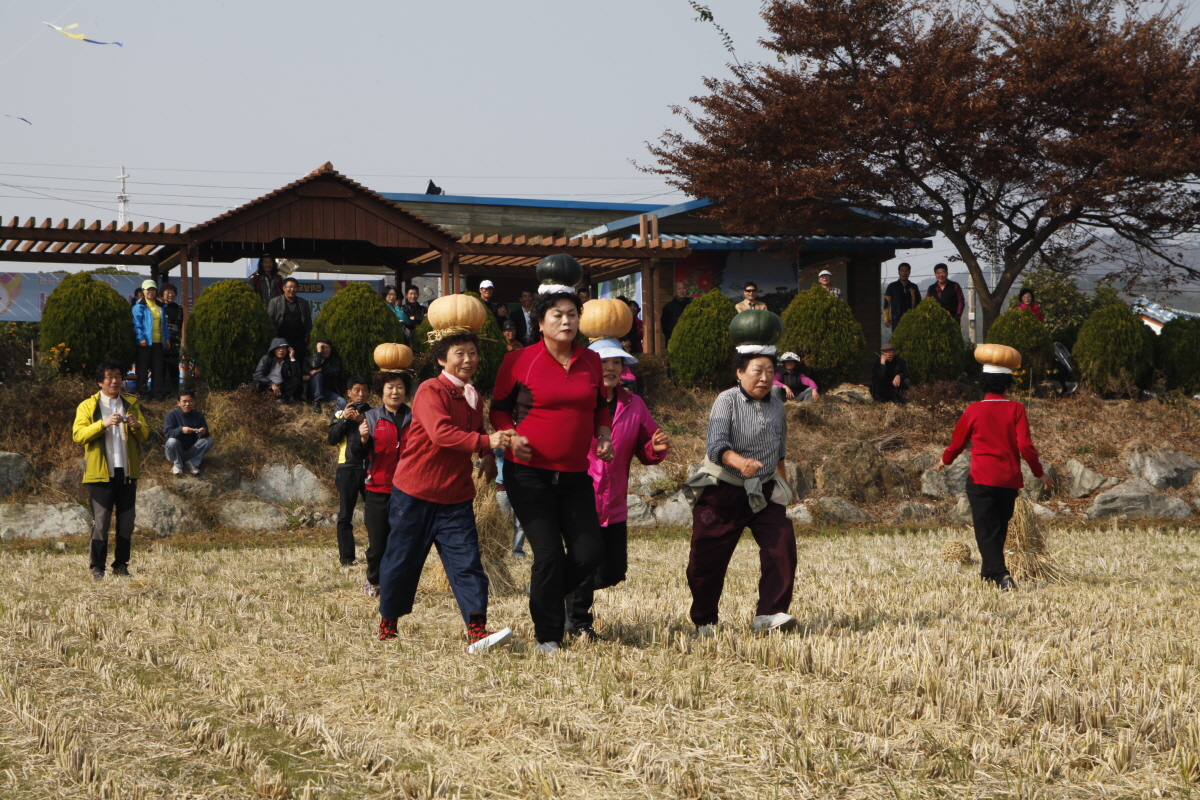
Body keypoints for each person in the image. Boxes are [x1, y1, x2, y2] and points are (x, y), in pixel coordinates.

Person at [491, 283, 614, 654]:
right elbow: (497, 408)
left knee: (589, 553)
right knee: (547, 554)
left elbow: (598, 407)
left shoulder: (591, 360)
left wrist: (603, 435)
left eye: (572, 314)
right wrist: (510, 436)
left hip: (575, 474)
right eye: (557, 315)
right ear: (541, 322)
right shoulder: (519, 360)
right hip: (528, 474)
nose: (566, 321)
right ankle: (548, 635)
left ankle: (544, 591)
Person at [377, 330, 515, 654]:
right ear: (442, 358)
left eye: (472, 353)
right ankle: (388, 623)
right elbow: (441, 433)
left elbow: (477, 429)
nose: (468, 360)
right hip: (414, 493)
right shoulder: (430, 390)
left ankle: (477, 630)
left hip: (455, 497)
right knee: (402, 561)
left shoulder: (472, 395)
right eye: (459, 353)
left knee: (467, 562)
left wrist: (486, 458)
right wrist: (487, 444)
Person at [683, 348, 797, 636]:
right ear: (739, 372)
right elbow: (716, 445)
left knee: (781, 544)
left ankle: (769, 613)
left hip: (764, 491)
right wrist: (740, 462)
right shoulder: (727, 401)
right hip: (722, 492)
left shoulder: (777, 405)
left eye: (770, 372)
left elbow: (780, 451)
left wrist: (784, 489)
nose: (764, 377)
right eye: (757, 370)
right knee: (705, 562)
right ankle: (705, 621)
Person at [564, 338, 669, 640]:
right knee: (584, 562)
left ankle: (559, 585)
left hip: (615, 502)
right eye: (603, 361)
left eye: (616, 362)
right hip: (580, 495)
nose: (610, 367)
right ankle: (578, 624)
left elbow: (646, 448)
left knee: (613, 571)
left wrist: (656, 448)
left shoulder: (633, 404)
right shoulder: (577, 400)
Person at [940, 354, 1053, 591]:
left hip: (981, 478)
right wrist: (1039, 472)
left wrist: (946, 459)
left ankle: (1002, 575)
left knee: (985, 529)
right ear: (1007, 384)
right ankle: (988, 573)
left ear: (982, 384)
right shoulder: (1016, 409)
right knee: (999, 528)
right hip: (1009, 480)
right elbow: (1025, 446)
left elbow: (958, 441)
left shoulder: (973, 410)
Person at [72, 359, 149, 580]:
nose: (115, 381)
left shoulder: (131, 403)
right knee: (102, 521)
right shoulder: (88, 406)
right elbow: (78, 435)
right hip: (100, 474)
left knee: (127, 521)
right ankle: (97, 567)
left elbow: (144, 436)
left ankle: (121, 565)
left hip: (126, 472)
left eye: (117, 376)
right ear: (100, 382)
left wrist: (137, 426)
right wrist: (103, 424)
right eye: (109, 377)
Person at [352, 370, 413, 597]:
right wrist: (363, 439)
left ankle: (397, 583)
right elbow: (357, 453)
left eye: (399, 387)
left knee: (403, 543)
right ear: (382, 391)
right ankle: (374, 580)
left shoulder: (415, 418)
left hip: (407, 491)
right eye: (390, 387)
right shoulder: (371, 417)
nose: (395, 392)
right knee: (377, 545)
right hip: (377, 490)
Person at [328, 377, 372, 567]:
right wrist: (346, 420)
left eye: (364, 390)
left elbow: (379, 437)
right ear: (349, 393)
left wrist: (363, 420)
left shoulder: (374, 413)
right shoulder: (339, 413)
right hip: (347, 468)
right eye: (357, 390)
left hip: (371, 468)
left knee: (375, 514)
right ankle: (347, 558)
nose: (361, 394)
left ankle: (376, 554)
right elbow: (332, 439)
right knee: (345, 515)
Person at [132, 279, 169, 401]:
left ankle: (157, 394)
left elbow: (164, 325)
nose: (151, 292)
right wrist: (141, 338)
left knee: (158, 369)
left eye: (153, 289)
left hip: (158, 342)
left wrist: (167, 338)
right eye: (148, 290)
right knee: (142, 369)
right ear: (143, 291)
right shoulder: (139, 306)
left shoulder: (160, 306)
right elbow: (137, 324)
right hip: (145, 343)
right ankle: (143, 394)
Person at [267, 277, 312, 371]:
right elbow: (269, 321)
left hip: (299, 340)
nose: (292, 289)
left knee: (298, 364)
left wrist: (307, 335)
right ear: (284, 288)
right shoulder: (275, 302)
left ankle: (297, 384)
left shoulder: (303, 303)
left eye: (295, 287)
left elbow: (308, 321)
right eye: (290, 287)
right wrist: (274, 336)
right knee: (282, 365)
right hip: (281, 339)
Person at [163, 392, 213, 476]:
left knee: (209, 440)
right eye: (184, 401)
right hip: (176, 450)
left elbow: (205, 434)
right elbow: (168, 433)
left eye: (190, 401)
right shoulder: (171, 415)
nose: (187, 404)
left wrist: (203, 432)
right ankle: (177, 464)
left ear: (193, 402)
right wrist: (181, 430)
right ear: (178, 403)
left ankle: (193, 463)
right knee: (172, 441)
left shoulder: (199, 415)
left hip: (191, 450)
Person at [307, 339, 345, 414]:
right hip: (315, 392)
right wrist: (318, 352)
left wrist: (321, 369)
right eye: (322, 347)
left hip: (329, 392)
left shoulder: (335, 359)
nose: (325, 350)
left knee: (342, 402)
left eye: (327, 347)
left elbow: (335, 371)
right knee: (317, 375)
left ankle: (336, 419)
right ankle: (317, 401)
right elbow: (314, 366)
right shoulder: (314, 358)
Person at [159, 283, 184, 398]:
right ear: (162, 294)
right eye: (167, 292)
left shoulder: (179, 308)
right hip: (161, 342)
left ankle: (175, 393)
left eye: (172, 292)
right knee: (161, 368)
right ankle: (161, 393)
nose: (170, 295)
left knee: (174, 367)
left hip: (175, 342)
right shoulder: (159, 307)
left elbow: (180, 326)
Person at [883, 262, 921, 330]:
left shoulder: (913, 287)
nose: (904, 273)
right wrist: (886, 318)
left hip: (911, 319)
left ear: (909, 272)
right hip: (896, 319)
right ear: (899, 272)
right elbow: (886, 303)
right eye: (902, 271)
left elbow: (919, 303)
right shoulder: (892, 286)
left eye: (906, 270)